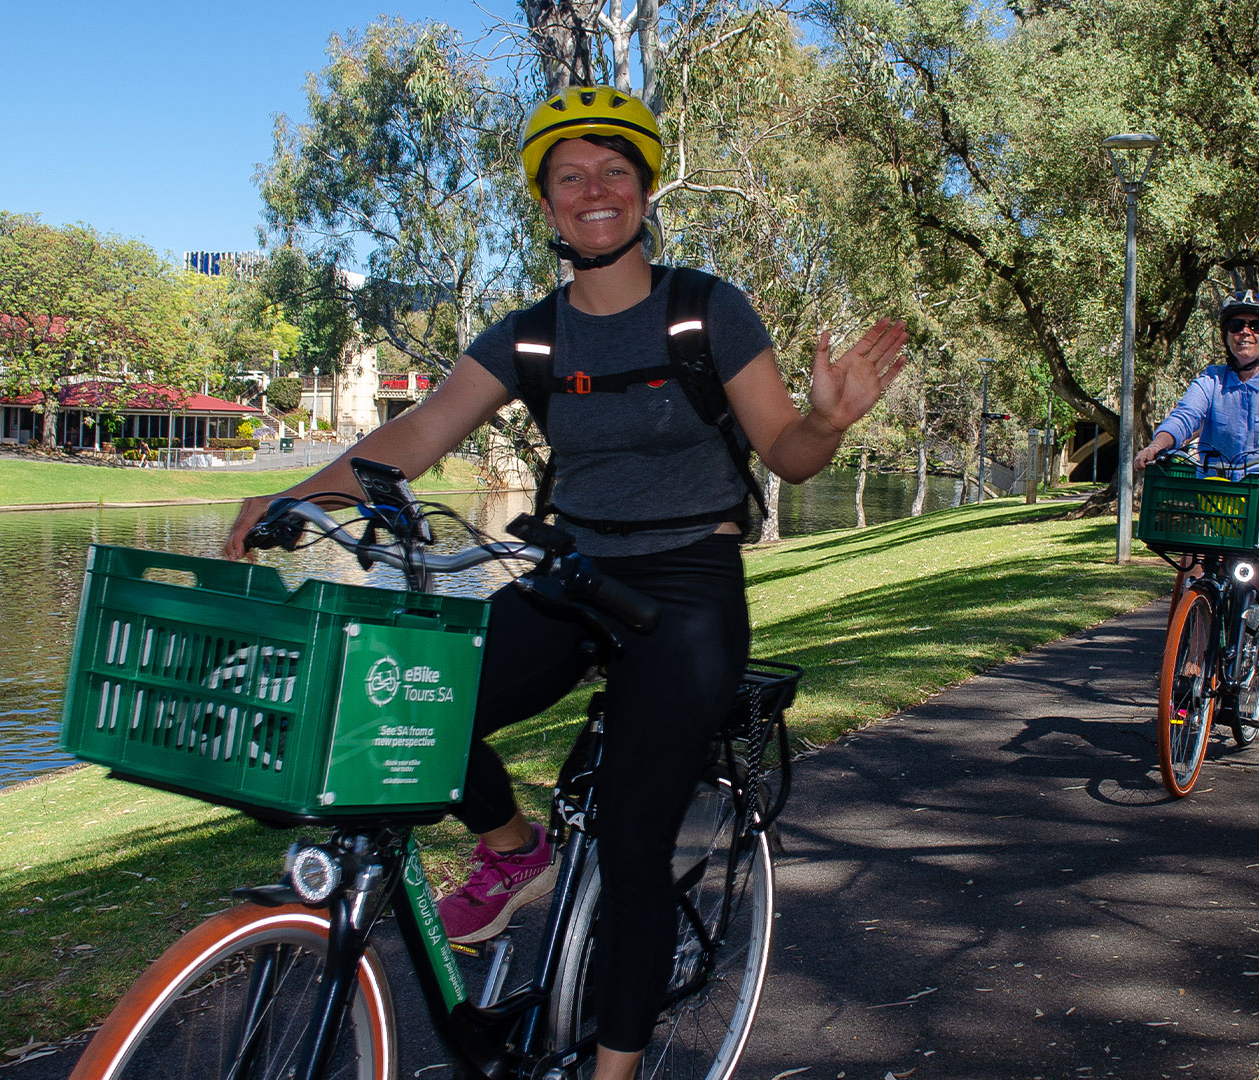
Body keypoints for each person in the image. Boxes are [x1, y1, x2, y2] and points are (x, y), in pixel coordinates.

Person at [222, 86, 908, 1080]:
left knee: (635, 848)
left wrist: (829, 419)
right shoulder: (531, 337)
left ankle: (614, 1070)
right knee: (421, 712)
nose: (595, 191)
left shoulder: (704, 311)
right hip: (575, 570)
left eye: (614, 173)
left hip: (689, 583)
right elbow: (413, 435)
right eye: (571, 177)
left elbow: (788, 454)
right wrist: (299, 496)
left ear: (642, 192)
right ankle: (513, 846)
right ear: (547, 205)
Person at [1134, 288, 1259, 657]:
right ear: (1226, 334)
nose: (1245, 333)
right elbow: (1186, 415)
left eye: (1256, 326)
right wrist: (1159, 445)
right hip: (1218, 492)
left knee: (1255, 536)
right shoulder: (1212, 379)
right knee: (1191, 563)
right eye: (1236, 325)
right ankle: (1190, 665)